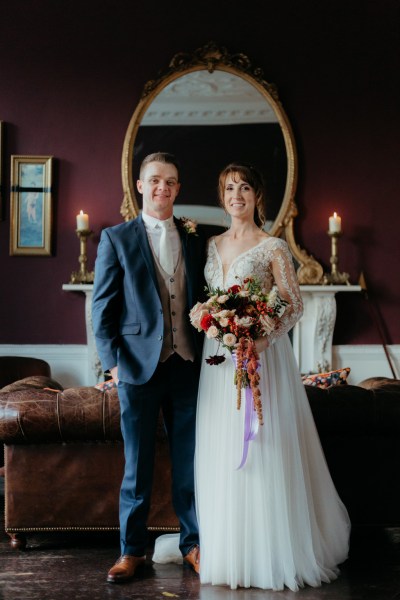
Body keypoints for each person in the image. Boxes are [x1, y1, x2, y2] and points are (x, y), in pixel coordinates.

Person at [193, 163, 351, 591]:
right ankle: (229, 552)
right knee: (221, 448)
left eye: (244, 187)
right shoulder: (210, 245)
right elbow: (211, 300)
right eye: (229, 188)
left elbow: (293, 303)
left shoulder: (273, 247)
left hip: (262, 357)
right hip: (219, 359)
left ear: (258, 196)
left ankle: (269, 551)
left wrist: (262, 337)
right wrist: (209, 319)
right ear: (221, 196)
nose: (236, 195)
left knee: (264, 446)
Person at [92, 152, 205, 583]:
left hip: (188, 365)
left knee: (189, 462)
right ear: (140, 185)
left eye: (171, 182)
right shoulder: (116, 238)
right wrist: (112, 367)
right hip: (136, 369)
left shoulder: (196, 238)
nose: (163, 188)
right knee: (136, 466)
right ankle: (130, 551)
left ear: (178, 188)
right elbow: (101, 310)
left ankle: (193, 544)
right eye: (155, 180)